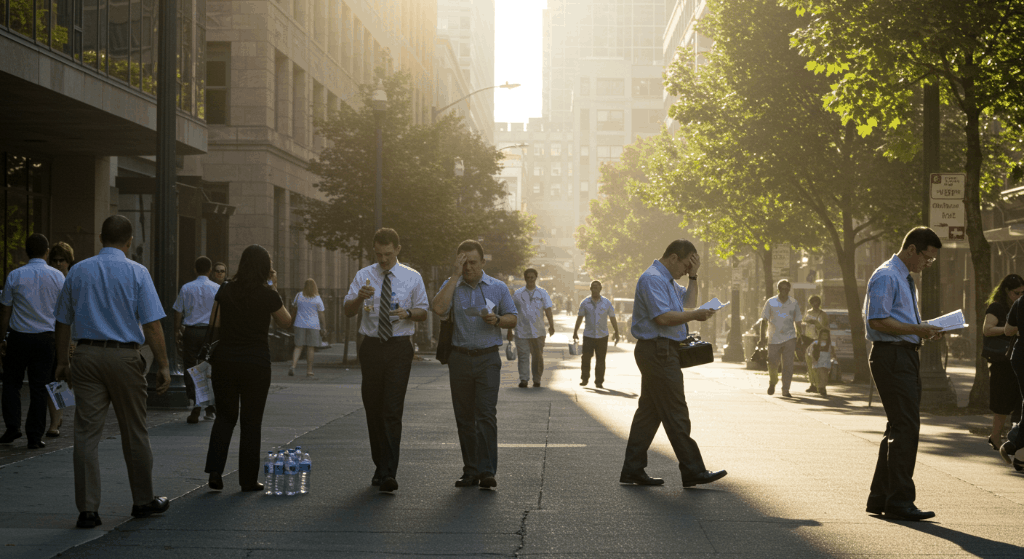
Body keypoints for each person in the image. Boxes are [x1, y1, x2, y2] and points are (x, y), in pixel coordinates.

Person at [53, 215, 173, 529]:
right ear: (129, 240)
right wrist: (163, 364)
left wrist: (62, 361)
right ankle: (143, 500)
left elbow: (63, 321)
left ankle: (88, 510)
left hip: (87, 355)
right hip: (124, 357)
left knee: (86, 434)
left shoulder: (78, 271)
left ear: (102, 238)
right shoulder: (138, 272)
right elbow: (152, 324)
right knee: (134, 429)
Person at [619, 239, 726, 488]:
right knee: (675, 411)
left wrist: (695, 278)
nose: (687, 271)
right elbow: (664, 318)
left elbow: (687, 303)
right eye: (687, 265)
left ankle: (632, 469)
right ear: (674, 257)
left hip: (661, 350)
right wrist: (697, 315)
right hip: (658, 351)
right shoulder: (653, 278)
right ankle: (693, 470)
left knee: (650, 412)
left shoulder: (666, 279)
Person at [863, 226, 944, 522]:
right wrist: (915, 329)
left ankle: (881, 496)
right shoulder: (887, 276)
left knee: (898, 426)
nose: (927, 264)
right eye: (927, 258)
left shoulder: (903, 278)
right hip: (893, 356)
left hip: (902, 355)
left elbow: (897, 320)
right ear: (912, 249)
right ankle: (899, 500)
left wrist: (922, 329)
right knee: (906, 427)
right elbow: (878, 320)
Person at [344, 228, 429, 493]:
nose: (383, 260)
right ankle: (380, 465)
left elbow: (423, 311)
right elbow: (347, 311)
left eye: (388, 255)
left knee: (391, 409)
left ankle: (389, 472)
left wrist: (408, 313)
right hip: (371, 346)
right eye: (379, 255)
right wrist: (359, 297)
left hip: (399, 346)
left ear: (397, 250)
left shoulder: (411, 277)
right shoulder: (363, 275)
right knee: (373, 407)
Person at [204, 245, 292, 493]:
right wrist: (273, 288)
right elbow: (286, 321)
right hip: (256, 363)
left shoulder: (225, 290)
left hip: (225, 361)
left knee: (224, 416)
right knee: (251, 422)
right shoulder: (268, 295)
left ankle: (214, 471)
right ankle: (248, 480)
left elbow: (214, 324)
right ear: (265, 268)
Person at [431, 240, 517, 489]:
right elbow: (437, 308)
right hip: (459, 357)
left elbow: (513, 318)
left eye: (473, 262)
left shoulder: (498, 287)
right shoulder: (453, 285)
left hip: (487, 358)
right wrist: (454, 275)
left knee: (486, 414)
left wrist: (498, 319)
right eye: (463, 262)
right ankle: (470, 470)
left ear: (483, 263)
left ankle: (487, 470)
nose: (468, 267)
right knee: (464, 417)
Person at [0, 234, 65, 450]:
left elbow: (6, 311)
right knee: (40, 388)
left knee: (11, 383)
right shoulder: (58, 277)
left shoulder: (15, 275)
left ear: (26, 252)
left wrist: (2, 338)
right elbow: (63, 315)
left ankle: (12, 427)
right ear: (47, 252)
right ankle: (34, 437)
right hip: (46, 338)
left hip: (19, 337)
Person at [173, 256, 219, 423]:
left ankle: (196, 403)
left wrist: (177, 331)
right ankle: (209, 407)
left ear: (195, 269)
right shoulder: (216, 288)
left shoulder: (186, 288)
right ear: (210, 270)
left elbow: (178, 311)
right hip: (210, 333)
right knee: (209, 370)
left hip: (191, 332)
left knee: (191, 368)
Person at [984, 274, 1024, 451]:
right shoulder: (997, 307)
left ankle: (1012, 437)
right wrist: (1011, 330)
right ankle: (996, 436)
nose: (1020, 296)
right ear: (1006, 291)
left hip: (1014, 358)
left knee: (1017, 401)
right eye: (1016, 292)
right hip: (1001, 360)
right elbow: (987, 329)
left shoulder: (1018, 305)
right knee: (1002, 401)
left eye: (1023, 292)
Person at [44, 241, 76, 437]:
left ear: (68, 261)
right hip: (48, 334)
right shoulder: (49, 279)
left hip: (65, 335)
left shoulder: (72, 281)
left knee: (60, 381)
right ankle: (56, 419)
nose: (57, 264)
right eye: (54, 260)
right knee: (51, 381)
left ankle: (55, 422)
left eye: (61, 260)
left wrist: (73, 342)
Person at [508, 268, 555, 388]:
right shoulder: (518, 294)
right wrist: (509, 329)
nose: (530, 280)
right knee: (523, 356)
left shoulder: (542, 293)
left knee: (537, 357)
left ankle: (537, 379)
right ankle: (524, 379)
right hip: (521, 330)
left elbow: (548, 309)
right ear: (525, 278)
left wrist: (551, 325)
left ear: (536, 278)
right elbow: (512, 312)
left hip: (538, 331)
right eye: (528, 277)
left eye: (532, 277)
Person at [573, 280, 620, 388]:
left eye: (597, 287)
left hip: (602, 335)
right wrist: (575, 332)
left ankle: (599, 381)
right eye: (593, 287)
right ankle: (584, 379)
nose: (595, 289)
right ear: (590, 289)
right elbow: (579, 318)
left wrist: (616, 332)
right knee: (585, 358)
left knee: (601, 359)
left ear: (600, 289)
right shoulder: (585, 303)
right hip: (588, 335)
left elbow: (612, 318)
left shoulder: (606, 303)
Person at [759, 279, 801, 397]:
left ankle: (785, 389)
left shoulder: (794, 303)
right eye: (782, 288)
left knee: (788, 365)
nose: (784, 291)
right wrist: (762, 338)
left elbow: (798, 322)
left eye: (786, 289)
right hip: (773, 337)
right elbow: (764, 320)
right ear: (778, 289)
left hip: (790, 337)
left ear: (789, 290)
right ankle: (773, 382)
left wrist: (800, 336)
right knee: (772, 363)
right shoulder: (770, 302)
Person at [289, 278, 327, 378]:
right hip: (313, 326)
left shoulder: (299, 295)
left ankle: (293, 366)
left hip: (299, 324)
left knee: (298, 346)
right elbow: (321, 314)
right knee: (310, 348)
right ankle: (309, 371)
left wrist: (290, 321)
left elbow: (294, 309)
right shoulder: (317, 298)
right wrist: (324, 327)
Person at [803, 295, 830, 393]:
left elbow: (826, 329)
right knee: (810, 364)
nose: (815, 304)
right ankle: (812, 384)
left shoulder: (823, 314)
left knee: (819, 364)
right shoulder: (807, 313)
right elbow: (803, 324)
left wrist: (816, 324)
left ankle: (821, 385)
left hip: (818, 341)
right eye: (813, 302)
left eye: (817, 302)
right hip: (808, 340)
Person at [805, 329, 833, 397]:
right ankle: (821, 387)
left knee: (825, 375)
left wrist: (832, 359)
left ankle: (822, 387)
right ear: (820, 335)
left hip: (826, 361)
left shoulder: (829, 344)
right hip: (818, 361)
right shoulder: (816, 343)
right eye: (823, 334)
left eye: (826, 335)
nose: (825, 336)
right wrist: (813, 359)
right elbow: (811, 352)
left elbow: (831, 352)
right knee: (820, 375)